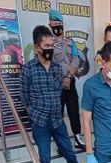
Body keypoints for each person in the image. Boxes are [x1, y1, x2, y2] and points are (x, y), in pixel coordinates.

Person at [20, 25, 81, 163]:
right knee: (45, 160)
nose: (50, 50)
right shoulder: (29, 69)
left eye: (52, 45)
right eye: (46, 46)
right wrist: (33, 113)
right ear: (37, 47)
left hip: (57, 121)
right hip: (40, 124)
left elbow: (60, 91)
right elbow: (23, 97)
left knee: (70, 155)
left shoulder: (56, 68)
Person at [48, 9, 85, 149]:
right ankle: (61, 143)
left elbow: (76, 60)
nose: (57, 25)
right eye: (54, 22)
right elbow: (48, 63)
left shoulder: (71, 42)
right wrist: (62, 77)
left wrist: (69, 76)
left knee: (74, 110)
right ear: (50, 23)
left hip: (71, 82)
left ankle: (77, 137)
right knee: (58, 114)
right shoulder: (48, 42)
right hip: (56, 83)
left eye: (59, 22)